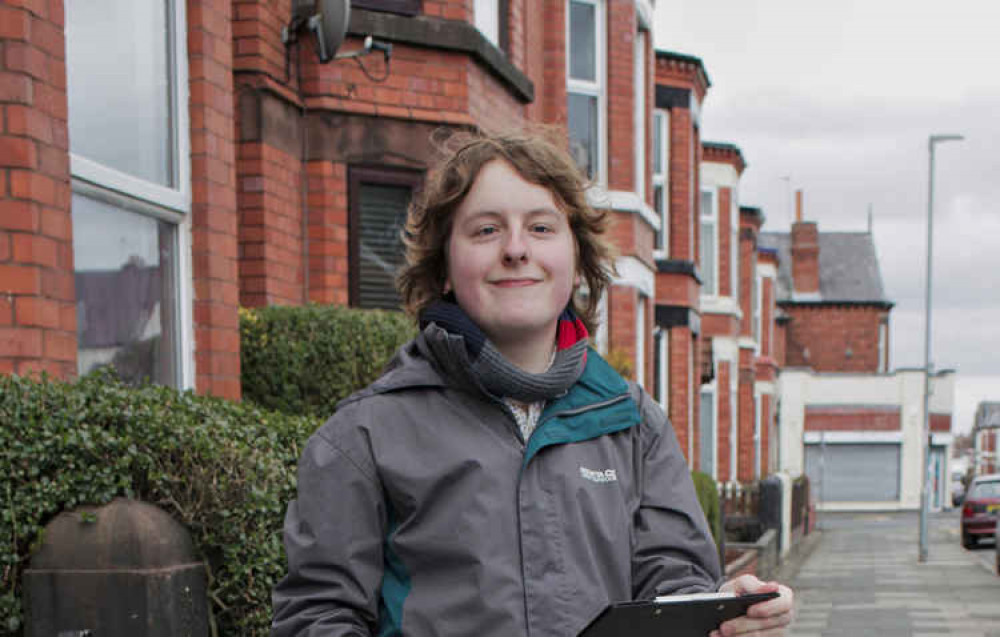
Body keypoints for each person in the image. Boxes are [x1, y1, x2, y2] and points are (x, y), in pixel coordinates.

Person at [271, 130, 794, 637]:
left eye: (541, 228)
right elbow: (318, 616)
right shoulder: (365, 437)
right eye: (486, 230)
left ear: (576, 259)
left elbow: (674, 586)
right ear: (445, 267)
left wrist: (722, 612)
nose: (516, 249)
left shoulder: (635, 425)